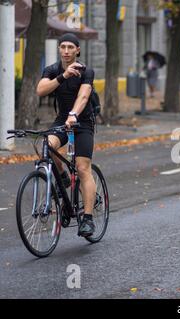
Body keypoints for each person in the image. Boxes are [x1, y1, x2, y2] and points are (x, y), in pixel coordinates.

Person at [36, 33, 96, 237]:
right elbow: (41, 90)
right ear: (59, 49)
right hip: (62, 121)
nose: (67, 50)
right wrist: (63, 76)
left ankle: (87, 219)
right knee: (47, 145)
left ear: (77, 50)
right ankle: (62, 176)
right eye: (63, 46)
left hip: (82, 123)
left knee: (82, 168)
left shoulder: (86, 71)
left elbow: (84, 95)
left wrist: (74, 114)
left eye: (71, 47)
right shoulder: (52, 69)